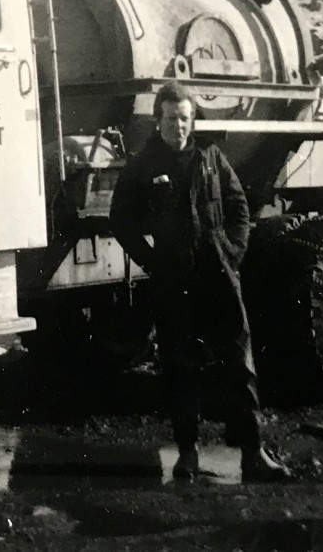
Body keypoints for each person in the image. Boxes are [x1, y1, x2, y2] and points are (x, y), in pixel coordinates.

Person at [109, 81, 289, 483]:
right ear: (158, 121)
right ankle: (187, 455)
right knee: (180, 367)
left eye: (185, 119)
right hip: (175, 282)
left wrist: (232, 251)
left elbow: (239, 205)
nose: (180, 127)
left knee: (239, 363)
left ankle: (252, 453)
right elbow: (120, 220)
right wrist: (154, 261)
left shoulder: (211, 157)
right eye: (172, 119)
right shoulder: (143, 166)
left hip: (218, 276)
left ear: (193, 120)